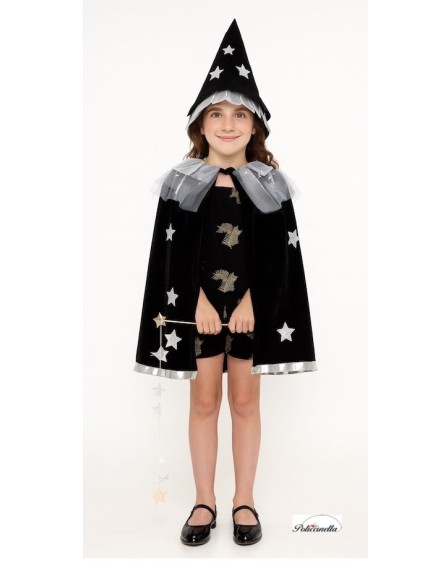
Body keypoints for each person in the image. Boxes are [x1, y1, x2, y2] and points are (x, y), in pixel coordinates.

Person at [133, 19, 317, 546]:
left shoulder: (270, 185)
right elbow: (168, 255)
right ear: (201, 123)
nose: (228, 124)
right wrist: (198, 301)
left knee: (245, 402)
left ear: (255, 126)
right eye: (217, 113)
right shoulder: (180, 183)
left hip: (251, 312)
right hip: (198, 312)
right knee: (204, 402)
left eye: (240, 114)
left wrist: (252, 300)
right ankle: (203, 500)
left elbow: (282, 258)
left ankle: (244, 499)